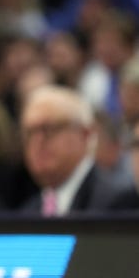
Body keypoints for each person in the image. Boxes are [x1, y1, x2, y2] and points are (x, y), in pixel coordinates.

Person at [19, 84, 139, 216]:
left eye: (48, 129)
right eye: (30, 133)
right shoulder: (30, 210)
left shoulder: (118, 200)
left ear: (85, 134)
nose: (38, 142)